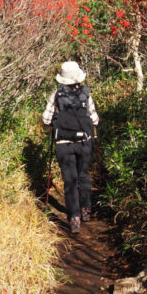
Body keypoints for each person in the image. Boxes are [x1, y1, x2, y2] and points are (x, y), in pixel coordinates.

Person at [42, 61, 99, 234]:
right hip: (84, 143)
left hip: (63, 144)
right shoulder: (86, 94)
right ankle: (86, 210)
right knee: (83, 176)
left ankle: (74, 217)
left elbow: (46, 119)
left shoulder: (56, 95)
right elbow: (95, 119)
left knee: (69, 180)